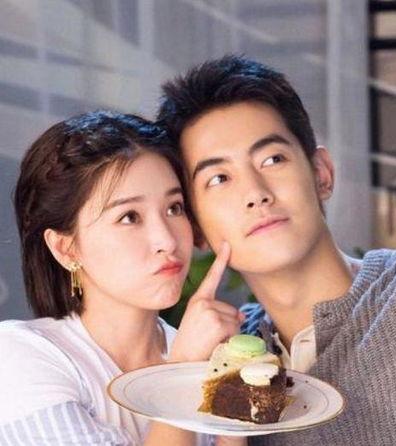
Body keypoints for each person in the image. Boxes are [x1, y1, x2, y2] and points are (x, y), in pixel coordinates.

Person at [156, 55, 396, 446]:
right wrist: (183, 373)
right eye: (219, 178)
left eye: (272, 159)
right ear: (195, 228)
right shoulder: (226, 360)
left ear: (321, 173)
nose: (255, 193)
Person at [0, 110, 246, 446]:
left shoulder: (204, 354)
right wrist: (182, 368)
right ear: (65, 248)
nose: (167, 240)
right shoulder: (20, 357)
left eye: (174, 208)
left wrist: (233, 402)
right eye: (129, 217)